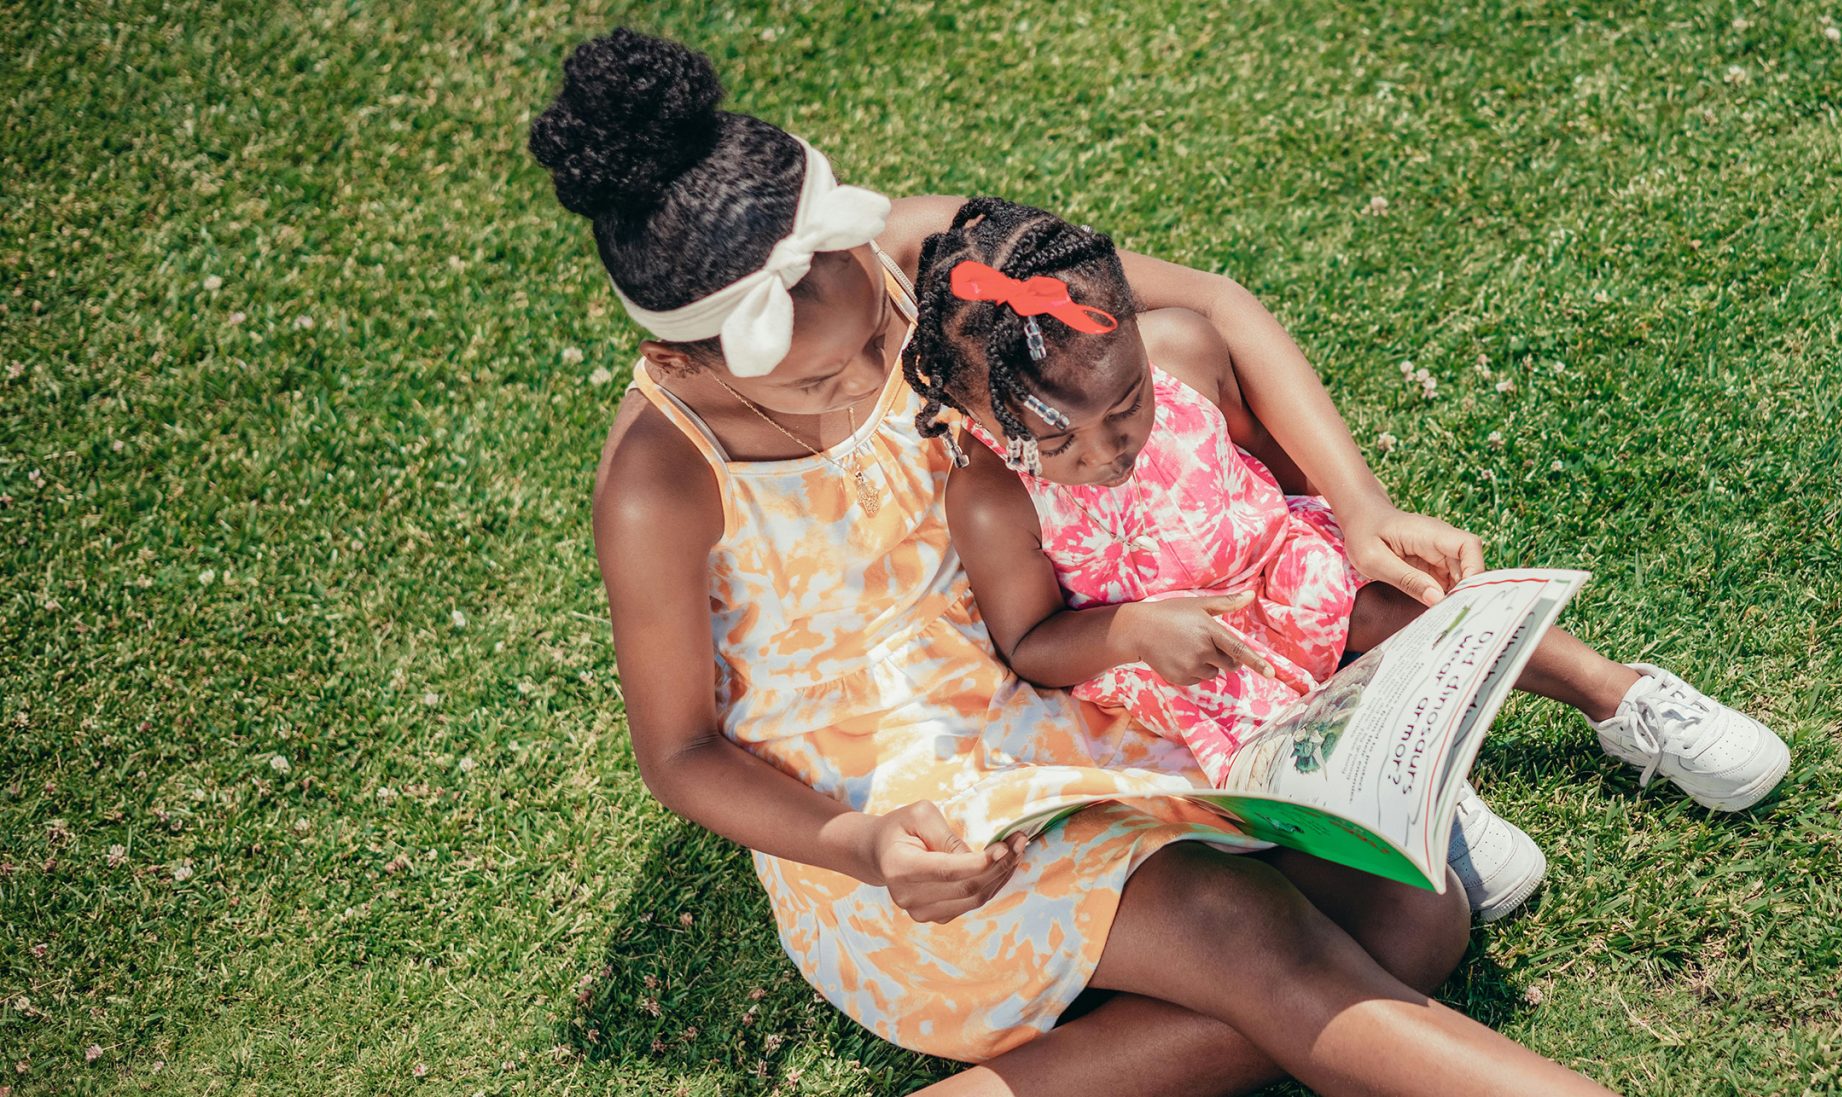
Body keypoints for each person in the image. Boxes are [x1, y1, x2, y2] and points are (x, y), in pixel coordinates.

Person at [528, 27, 1617, 1096]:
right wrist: (866, 845)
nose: (871, 380)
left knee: (1417, 920)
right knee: (1246, 937)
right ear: (680, 353)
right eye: (819, 383)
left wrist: (1359, 505)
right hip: (900, 828)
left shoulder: (928, 259)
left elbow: (1212, 311)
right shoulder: (659, 479)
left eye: (879, 345)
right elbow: (679, 751)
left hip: (1068, 694)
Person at [911, 199, 1794, 922]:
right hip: (1185, 665)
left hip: (1277, 565)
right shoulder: (990, 499)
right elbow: (1031, 642)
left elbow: (1272, 462)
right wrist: (1136, 631)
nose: (1110, 450)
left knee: (1398, 606)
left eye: (1127, 405)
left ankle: (1620, 694)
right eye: (1058, 440)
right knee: (1284, 748)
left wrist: (1353, 516)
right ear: (978, 414)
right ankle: (1419, 799)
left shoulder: (1184, 352)